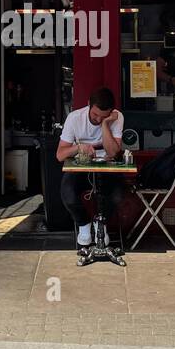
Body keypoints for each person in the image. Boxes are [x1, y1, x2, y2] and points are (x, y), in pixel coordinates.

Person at [56, 87, 126, 250]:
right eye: (95, 115)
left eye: (103, 116)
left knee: (117, 195)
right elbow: (60, 155)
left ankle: (100, 224)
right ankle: (84, 224)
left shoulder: (116, 117)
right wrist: (80, 147)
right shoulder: (75, 118)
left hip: (106, 167)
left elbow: (114, 153)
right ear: (88, 105)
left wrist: (105, 124)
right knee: (68, 194)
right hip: (81, 165)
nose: (97, 119)